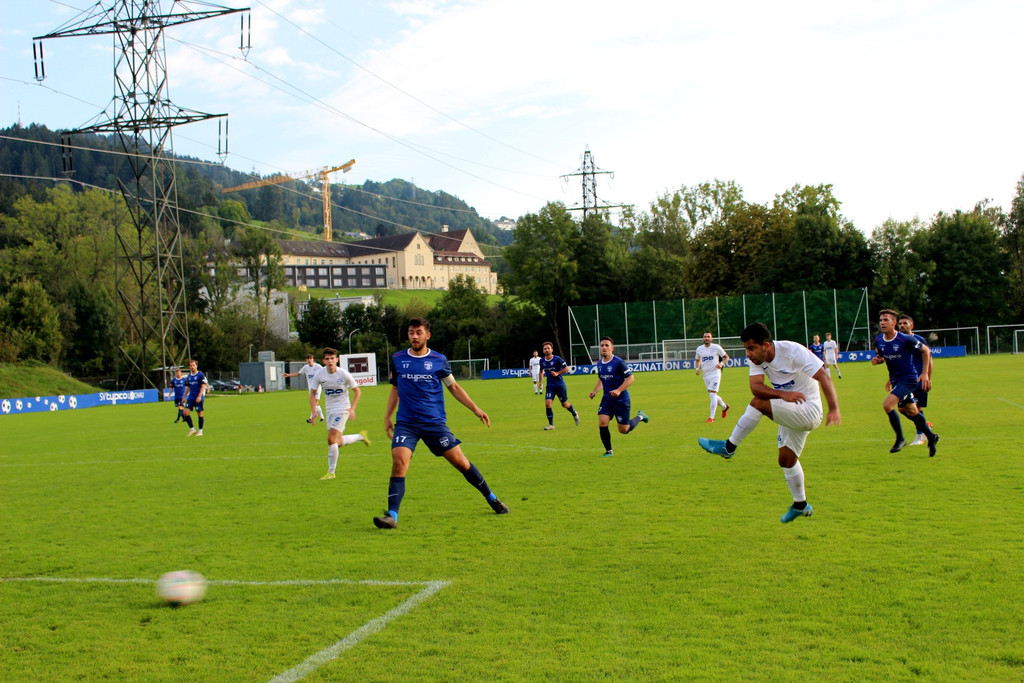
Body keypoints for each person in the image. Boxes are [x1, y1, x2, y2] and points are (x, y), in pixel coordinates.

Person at [373, 317, 509, 529]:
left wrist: (476, 409)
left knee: (461, 463)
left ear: (427, 335)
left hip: (434, 424)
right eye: (411, 332)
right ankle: (392, 516)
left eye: (418, 332)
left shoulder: (438, 359)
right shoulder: (398, 358)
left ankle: (491, 498)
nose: (414, 336)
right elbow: (395, 389)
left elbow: (453, 388)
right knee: (399, 461)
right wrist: (387, 416)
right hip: (406, 423)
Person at [699, 322, 840, 522]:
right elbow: (756, 387)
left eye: (751, 348)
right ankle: (800, 505)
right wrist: (783, 394)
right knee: (786, 460)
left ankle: (729, 447)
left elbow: (824, 377)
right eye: (746, 348)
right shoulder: (757, 359)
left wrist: (834, 409)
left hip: (809, 409)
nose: (748, 354)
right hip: (791, 407)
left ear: (766, 345)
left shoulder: (793, 352)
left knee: (759, 404)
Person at [872, 309, 939, 456]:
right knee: (911, 410)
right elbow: (884, 357)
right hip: (897, 380)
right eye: (881, 320)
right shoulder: (878, 340)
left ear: (893, 323)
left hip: (909, 379)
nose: (882, 323)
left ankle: (900, 439)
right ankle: (931, 436)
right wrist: (879, 361)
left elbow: (926, 351)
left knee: (887, 405)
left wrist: (925, 374)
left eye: (886, 320)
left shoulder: (905, 339)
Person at [308, 347, 370, 480]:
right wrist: (314, 412)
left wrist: (352, 409)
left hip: (343, 409)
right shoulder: (319, 374)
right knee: (338, 441)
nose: (330, 361)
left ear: (337, 359)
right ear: (324, 361)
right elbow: (312, 394)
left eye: (332, 358)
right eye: (327, 359)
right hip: (329, 410)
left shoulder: (343, 374)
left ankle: (331, 472)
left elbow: (357, 391)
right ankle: (360, 436)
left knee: (330, 439)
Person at [588, 336, 648, 457]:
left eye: (607, 345)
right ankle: (609, 451)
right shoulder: (599, 363)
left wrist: (619, 390)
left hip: (621, 400)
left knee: (624, 430)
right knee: (602, 422)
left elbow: (630, 378)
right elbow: (601, 379)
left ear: (612, 348)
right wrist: (595, 391)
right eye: (602, 345)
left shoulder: (618, 362)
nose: (604, 348)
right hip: (607, 399)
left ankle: (641, 416)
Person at [898, 314, 934, 446]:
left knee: (915, 407)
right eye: (900, 323)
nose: (902, 326)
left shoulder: (919, 340)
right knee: (902, 409)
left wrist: (927, 377)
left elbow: (929, 358)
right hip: (906, 380)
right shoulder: (900, 341)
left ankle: (920, 437)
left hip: (918, 379)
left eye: (905, 323)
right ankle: (925, 426)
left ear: (911, 326)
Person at [539, 341, 581, 430]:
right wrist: (540, 382)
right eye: (545, 349)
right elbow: (541, 371)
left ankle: (574, 413)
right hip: (550, 386)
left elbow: (566, 368)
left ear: (552, 349)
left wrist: (558, 373)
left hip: (559, 385)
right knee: (548, 403)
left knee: (564, 404)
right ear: (543, 350)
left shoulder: (557, 359)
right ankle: (551, 424)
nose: (546, 350)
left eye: (548, 348)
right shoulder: (541, 361)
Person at [694, 331, 730, 423]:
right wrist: (697, 368)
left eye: (708, 337)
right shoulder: (699, 349)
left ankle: (711, 418)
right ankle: (725, 407)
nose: (706, 338)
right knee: (713, 395)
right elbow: (697, 360)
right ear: (703, 338)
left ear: (711, 338)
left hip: (715, 374)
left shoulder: (716, 347)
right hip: (705, 375)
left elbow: (726, 357)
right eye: (705, 336)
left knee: (712, 394)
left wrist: (721, 364)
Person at [283, 354, 326, 423]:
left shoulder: (318, 366)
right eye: (308, 359)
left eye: (310, 359)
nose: (309, 360)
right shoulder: (306, 367)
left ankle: (311, 419)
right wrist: (288, 375)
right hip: (311, 388)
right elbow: (298, 374)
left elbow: (324, 373)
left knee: (314, 403)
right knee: (315, 404)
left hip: (317, 387)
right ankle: (322, 418)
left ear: (313, 359)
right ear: (306, 360)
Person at [182, 359, 208, 437]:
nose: (192, 367)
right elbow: (188, 387)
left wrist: (200, 396)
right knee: (185, 412)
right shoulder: (189, 376)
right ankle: (192, 429)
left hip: (198, 397)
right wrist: (184, 396)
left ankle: (200, 431)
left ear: (196, 366)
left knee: (199, 413)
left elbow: (203, 386)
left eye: (193, 365)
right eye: (191, 365)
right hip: (191, 397)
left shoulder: (200, 375)